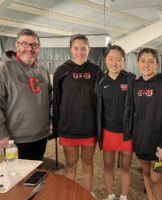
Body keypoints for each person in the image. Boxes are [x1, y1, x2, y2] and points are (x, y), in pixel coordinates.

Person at [0, 28, 51, 161]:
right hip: (15, 139)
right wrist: (0, 134)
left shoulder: (43, 71)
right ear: (16, 45)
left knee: (36, 175)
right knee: (17, 178)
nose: (30, 48)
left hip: (41, 136)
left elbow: (48, 100)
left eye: (34, 45)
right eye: (24, 44)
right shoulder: (2, 70)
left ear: (39, 48)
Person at [52, 34, 103, 193]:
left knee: (87, 162)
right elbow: (57, 100)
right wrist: (56, 127)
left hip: (89, 126)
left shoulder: (96, 70)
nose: (79, 52)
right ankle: (69, 194)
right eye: (76, 48)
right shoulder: (62, 70)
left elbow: (101, 101)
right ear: (70, 49)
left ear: (89, 49)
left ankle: (87, 193)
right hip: (69, 127)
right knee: (71, 164)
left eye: (83, 48)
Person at [133, 48, 162, 200]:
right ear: (137, 63)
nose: (146, 65)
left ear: (157, 64)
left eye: (151, 61)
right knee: (145, 173)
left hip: (160, 145)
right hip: (141, 141)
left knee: (157, 177)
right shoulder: (136, 85)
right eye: (143, 61)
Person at [96, 45, 135, 200]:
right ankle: (111, 195)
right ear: (105, 60)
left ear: (124, 61)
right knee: (108, 166)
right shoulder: (100, 82)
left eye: (118, 59)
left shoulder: (131, 79)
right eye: (111, 59)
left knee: (126, 167)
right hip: (108, 132)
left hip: (127, 132)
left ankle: (124, 196)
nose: (114, 62)